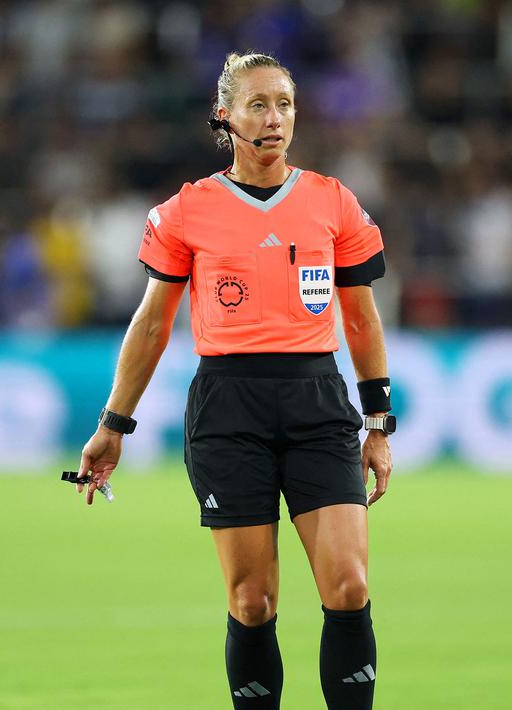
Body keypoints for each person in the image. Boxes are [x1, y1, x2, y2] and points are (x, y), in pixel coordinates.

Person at [74, 51, 394, 710]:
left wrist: (378, 424)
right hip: (228, 410)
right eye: (258, 105)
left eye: (284, 104)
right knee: (252, 600)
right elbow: (152, 324)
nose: (274, 118)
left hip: (317, 403)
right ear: (225, 117)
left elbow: (361, 322)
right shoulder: (185, 211)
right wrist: (113, 424)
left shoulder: (333, 202)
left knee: (350, 586)